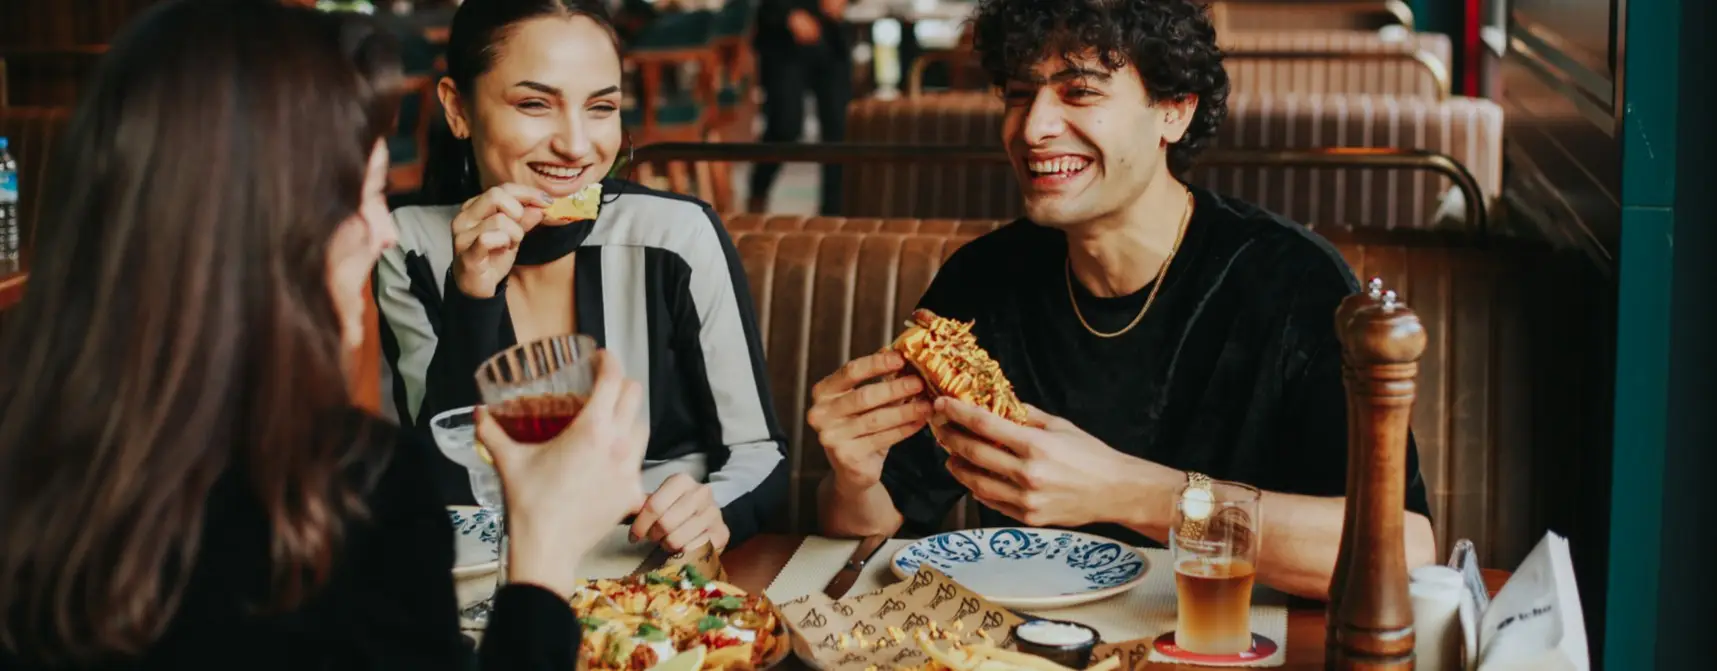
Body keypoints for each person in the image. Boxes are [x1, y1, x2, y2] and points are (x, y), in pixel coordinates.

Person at [0, 1, 646, 667]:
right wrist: (541, 552)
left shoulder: (29, 453)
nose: (383, 230)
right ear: (270, 225)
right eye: (366, 194)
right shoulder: (350, 498)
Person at [808, 0, 1435, 600]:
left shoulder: (1292, 283)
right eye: (1020, 94)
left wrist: (1130, 494)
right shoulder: (984, 282)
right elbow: (871, 528)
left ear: (1175, 111)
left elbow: (1403, 547)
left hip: (1235, 639)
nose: (1033, 128)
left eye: (1079, 92)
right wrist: (854, 475)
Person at [376, 0, 787, 553]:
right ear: (458, 108)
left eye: (600, 107)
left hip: (655, 573)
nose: (575, 145)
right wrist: (473, 295)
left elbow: (759, 453)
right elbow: (449, 488)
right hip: (495, 576)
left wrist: (713, 510)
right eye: (534, 104)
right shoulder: (411, 249)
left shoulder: (676, 235)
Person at [748, 0, 853, 214]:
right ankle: (758, 194)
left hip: (831, 36)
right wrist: (786, 13)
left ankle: (833, 211)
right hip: (782, 38)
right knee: (785, 126)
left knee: (838, 128)